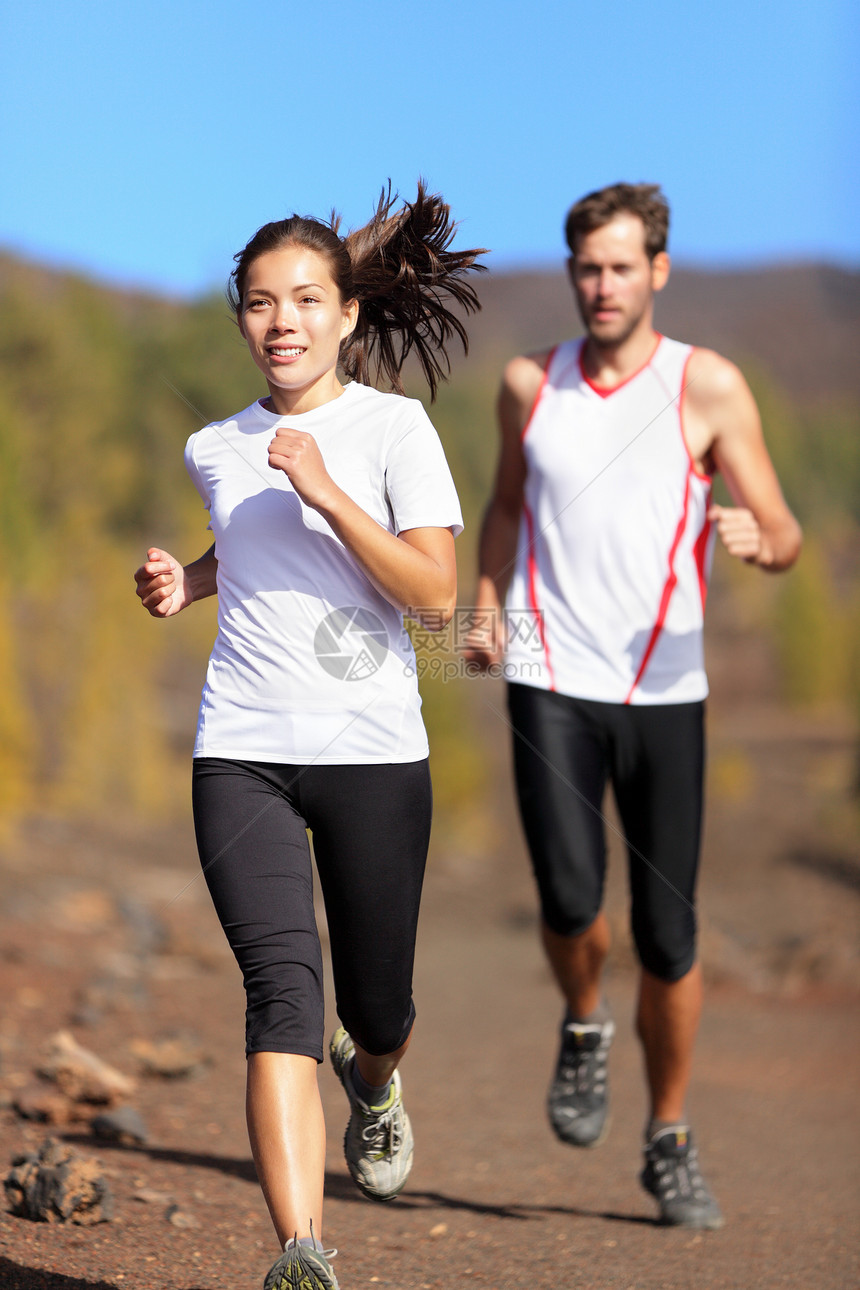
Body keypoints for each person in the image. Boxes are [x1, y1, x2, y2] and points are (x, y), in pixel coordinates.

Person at [134, 184, 485, 1290]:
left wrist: (331, 492)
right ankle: (300, 1251)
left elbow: (433, 596)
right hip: (239, 751)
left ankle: (372, 1084)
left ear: (343, 314)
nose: (279, 319)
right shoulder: (213, 444)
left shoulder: (392, 430)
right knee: (281, 990)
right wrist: (181, 583)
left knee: (374, 1008)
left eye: (302, 299)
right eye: (257, 302)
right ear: (239, 319)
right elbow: (248, 555)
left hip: (374, 754)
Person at [465, 182, 801, 1230]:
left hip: (665, 688)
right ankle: (579, 1020)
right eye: (584, 268)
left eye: (618, 267)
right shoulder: (530, 384)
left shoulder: (706, 386)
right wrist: (483, 609)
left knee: (668, 935)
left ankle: (667, 1135)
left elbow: (783, 528)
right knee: (569, 900)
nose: (599, 286)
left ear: (656, 269)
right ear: (569, 273)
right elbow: (505, 505)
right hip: (550, 674)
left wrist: (760, 540)